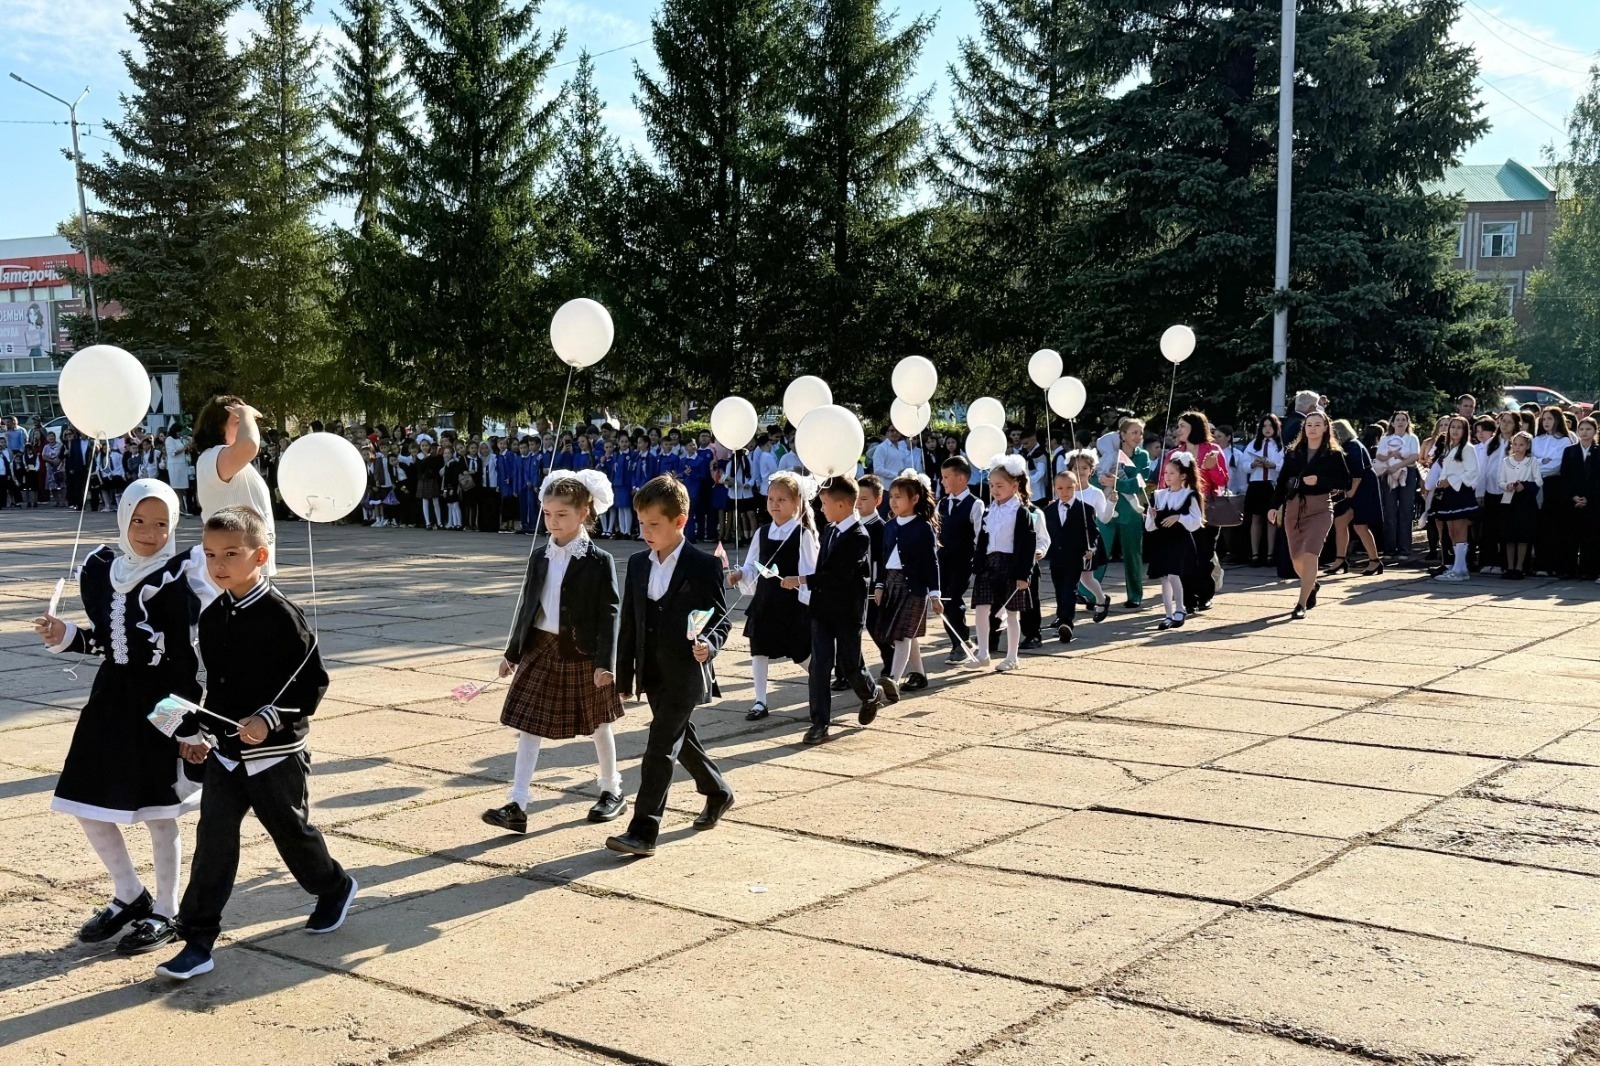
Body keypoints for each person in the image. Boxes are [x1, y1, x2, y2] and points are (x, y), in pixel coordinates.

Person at [158, 506, 355, 980]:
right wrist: (192, 731)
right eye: (209, 554)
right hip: (227, 756)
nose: (218, 564)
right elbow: (210, 688)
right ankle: (198, 940)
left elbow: (311, 685)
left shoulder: (283, 616)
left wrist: (269, 720)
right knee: (214, 843)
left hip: (274, 756)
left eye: (231, 553)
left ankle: (332, 885)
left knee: (292, 833)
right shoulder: (211, 615)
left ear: (260, 555)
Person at [31, 480, 216, 956]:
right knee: (84, 802)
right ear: (123, 519)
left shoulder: (182, 576)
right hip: (110, 699)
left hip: (161, 704)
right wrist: (65, 633)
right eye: (139, 521)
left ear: (174, 526)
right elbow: (109, 643)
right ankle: (130, 894)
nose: (150, 533)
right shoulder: (103, 570)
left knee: (160, 813)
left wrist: (188, 724)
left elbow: (187, 658)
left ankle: (168, 911)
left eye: (161, 524)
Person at [483, 471, 627, 834]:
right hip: (541, 647)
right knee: (528, 724)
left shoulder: (598, 561)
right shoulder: (539, 556)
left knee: (598, 723)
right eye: (547, 513)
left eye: (561, 515)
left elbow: (610, 612)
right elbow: (527, 606)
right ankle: (517, 803)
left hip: (581, 652)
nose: (552, 521)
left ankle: (612, 790)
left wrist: (605, 663)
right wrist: (512, 652)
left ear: (583, 513)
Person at [605, 477, 735, 857]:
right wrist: (624, 674)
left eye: (654, 525)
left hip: (685, 672)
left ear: (679, 522)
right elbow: (629, 622)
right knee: (682, 741)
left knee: (659, 746)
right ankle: (718, 791)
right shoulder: (636, 563)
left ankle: (643, 831)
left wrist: (709, 646)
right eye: (642, 523)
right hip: (652, 672)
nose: (645, 532)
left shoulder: (703, 565)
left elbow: (719, 619)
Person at [789, 474, 885, 744]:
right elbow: (822, 567)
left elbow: (837, 576)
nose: (822, 509)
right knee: (819, 667)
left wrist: (802, 580)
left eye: (825, 504)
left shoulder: (859, 536)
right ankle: (819, 723)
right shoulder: (831, 529)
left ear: (842, 505)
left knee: (850, 664)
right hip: (822, 611)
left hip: (847, 613)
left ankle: (870, 694)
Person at [730, 470, 817, 721]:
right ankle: (760, 700)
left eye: (782, 500)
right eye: (771, 499)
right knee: (759, 649)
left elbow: (810, 572)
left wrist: (801, 589)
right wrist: (739, 575)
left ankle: (821, 680)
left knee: (800, 652)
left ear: (796, 502)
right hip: (765, 602)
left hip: (790, 604)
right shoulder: (762, 532)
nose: (775, 504)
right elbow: (751, 565)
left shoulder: (803, 534)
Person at [1271, 411, 1351, 617]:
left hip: (1321, 508)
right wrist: (1274, 506)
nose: (1313, 428)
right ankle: (1312, 585)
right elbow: (1281, 481)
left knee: (1311, 553)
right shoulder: (1294, 452)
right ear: (1304, 429)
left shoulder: (1334, 454)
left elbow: (1346, 482)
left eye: (1317, 425)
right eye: (1309, 425)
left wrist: (1321, 481)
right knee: (1296, 557)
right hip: (1294, 507)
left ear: (1326, 428)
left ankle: (1301, 604)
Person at [874, 470, 942, 696]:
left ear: (914, 499)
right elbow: (884, 558)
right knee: (906, 633)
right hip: (892, 584)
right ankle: (920, 675)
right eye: (891, 496)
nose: (893, 501)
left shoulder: (923, 527)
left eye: (899, 496)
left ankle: (892, 679)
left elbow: (931, 562)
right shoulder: (889, 526)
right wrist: (880, 585)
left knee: (903, 634)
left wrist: (934, 593)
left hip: (914, 587)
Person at [193, 397, 276, 577]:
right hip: (234, 569)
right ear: (218, 426)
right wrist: (246, 412)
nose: (247, 425)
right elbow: (250, 445)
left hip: (245, 566)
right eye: (238, 421)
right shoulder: (212, 457)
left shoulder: (226, 459)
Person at [967, 455, 1036, 673]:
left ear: (1015, 486)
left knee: (1012, 612)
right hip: (989, 564)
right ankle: (983, 653)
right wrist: (976, 564)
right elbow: (982, 539)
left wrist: (1024, 575)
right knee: (981, 609)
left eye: (1000, 485)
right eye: (992, 485)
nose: (995, 490)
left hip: (1011, 565)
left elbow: (1027, 545)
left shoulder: (1020, 512)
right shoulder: (989, 510)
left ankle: (1012, 656)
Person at [1158, 412, 1227, 613]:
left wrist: (1211, 468)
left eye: (1182, 426)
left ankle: (1204, 595)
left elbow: (1222, 481)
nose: (1178, 430)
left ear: (1194, 428)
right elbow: (1164, 482)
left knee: (1204, 555)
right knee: (1183, 555)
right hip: (1178, 510)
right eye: (1178, 426)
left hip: (1207, 509)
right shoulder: (1173, 454)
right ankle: (1188, 599)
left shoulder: (1211, 450)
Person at [1044, 462, 1114, 642]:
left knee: (1070, 588)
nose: (1064, 491)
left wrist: (1091, 547)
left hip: (1076, 555)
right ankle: (1062, 616)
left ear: (1076, 487)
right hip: (1057, 557)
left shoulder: (1085, 508)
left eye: (1069, 487)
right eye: (1060, 488)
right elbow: (1045, 533)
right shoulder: (1049, 510)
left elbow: (1093, 532)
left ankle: (1067, 622)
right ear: (1054, 488)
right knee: (1059, 588)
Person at [1096, 417, 1152, 609]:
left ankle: (1135, 595)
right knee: (1100, 550)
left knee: (1133, 554)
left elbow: (1140, 483)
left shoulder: (1142, 455)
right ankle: (1088, 593)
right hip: (1107, 509)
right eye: (1134, 432)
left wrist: (1117, 483)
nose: (1138, 436)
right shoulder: (1109, 455)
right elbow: (1096, 480)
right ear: (1122, 435)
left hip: (1131, 512)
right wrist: (1104, 481)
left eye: (1140, 433)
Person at [1145, 454, 1205, 630]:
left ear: (1183, 476)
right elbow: (1150, 527)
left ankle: (1180, 609)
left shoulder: (1190, 495)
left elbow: (1196, 521)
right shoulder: (1158, 495)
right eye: (1166, 472)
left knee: (1173, 574)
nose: (1167, 476)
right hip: (1161, 542)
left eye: (1172, 473)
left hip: (1179, 541)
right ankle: (1168, 614)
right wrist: (1151, 515)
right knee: (1164, 578)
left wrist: (1179, 517)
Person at [937, 457, 983, 665]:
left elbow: (979, 535)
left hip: (963, 561)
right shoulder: (942, 503)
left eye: (946, 477)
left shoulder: (975, 504)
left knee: (953, 598)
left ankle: (961, 642)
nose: (942, 481)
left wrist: (978, 559)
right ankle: (959, 641)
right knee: (943, 602)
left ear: (961, 478)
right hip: (943, 561)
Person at [1328, 419, 1384, 576]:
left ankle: (1374, 561)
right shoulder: (1349, 445)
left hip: (1362, 489)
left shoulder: (1352, 446)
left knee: (1360, 525)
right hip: (1357, 488)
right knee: (1340, 522)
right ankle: (1340, 559)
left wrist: (1350, 492)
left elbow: (1358, 473)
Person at [1429, 415, 1480, 582]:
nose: (1455, 430)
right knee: (1451, 530)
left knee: (1460, 528)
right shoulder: (1449, 448)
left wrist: (1450, 482)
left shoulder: (1468, 448)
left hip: (1461, 492)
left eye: (1459, 427)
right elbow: (1444, 470)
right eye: (1453, 427)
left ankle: (1460, 568)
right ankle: (1459, 566)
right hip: (1449, 493)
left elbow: (1472, 472)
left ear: (1465, 431)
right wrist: (1440, 483)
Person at [1533, 407, 1577, 576]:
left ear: (1557, 420)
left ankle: (1554, 564)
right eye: (1544, 419)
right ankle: (1541, 564)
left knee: (1553, 526)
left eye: (1550, 419)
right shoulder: (1537, 440)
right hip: (1536, 484)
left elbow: (1556, 465)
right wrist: (1540, 461)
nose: (1546, 422)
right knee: (1540, 525)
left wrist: (1540, 463)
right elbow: (1530, 462)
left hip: (1554, 486)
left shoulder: (1564, 441)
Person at [1374, 412, 1420, 559]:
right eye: (1397, 420)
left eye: (1403, 420)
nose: (1400, 422)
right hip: (1388, 472)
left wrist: (1399, 464)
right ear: (1392, 423)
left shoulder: (1412, 438)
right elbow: (1379, 455)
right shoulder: (1385, 438)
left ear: (1408, 423)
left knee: (1406, 510)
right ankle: (1389, 549)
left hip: (1408, 472)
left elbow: (1415, 456)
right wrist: (1390, 457)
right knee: (1390, 510)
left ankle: (1404, 549)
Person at [1497, 431, 1541, 579]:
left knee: (1522, 536)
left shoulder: (1532, 462)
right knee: (1509, 536)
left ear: (1527, 446)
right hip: (1509, 501)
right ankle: (1509, 567)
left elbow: (1539, 481)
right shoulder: (1506, 461)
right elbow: (1500, 481)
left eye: (1521, 444)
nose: (1517, 447)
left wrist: (1525, 486)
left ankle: (1519, 567)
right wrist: (1507, 486)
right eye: (1515, 444)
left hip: (1525, 502)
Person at [1241, 415, 1283, 566]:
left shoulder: (1279, 446)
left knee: (1271, 518)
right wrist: (1254, 464)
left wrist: (1273, 466)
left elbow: (1284, 466)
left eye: (1270, 426)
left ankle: (1270, 554)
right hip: (1256, 483)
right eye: (1264, 426)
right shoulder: (1253, 444)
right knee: (1256, 518)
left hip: (1271, 484)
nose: (1267, 429)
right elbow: (1243, 466)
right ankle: (1255, 554)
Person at [1562, 418, 1600, 580]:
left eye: (1588, 429)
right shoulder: (1570, 451)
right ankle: (1569, 569)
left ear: (1595, 431)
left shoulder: (1598, 451)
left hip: (1593, 501)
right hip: (1573, 499)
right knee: (1571, 535)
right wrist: (1573, 496)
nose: (1585, 432)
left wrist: (1589, 498)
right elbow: (1565, 475)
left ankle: (1588, 569)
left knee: (1590, 536)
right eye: (1582, 429)